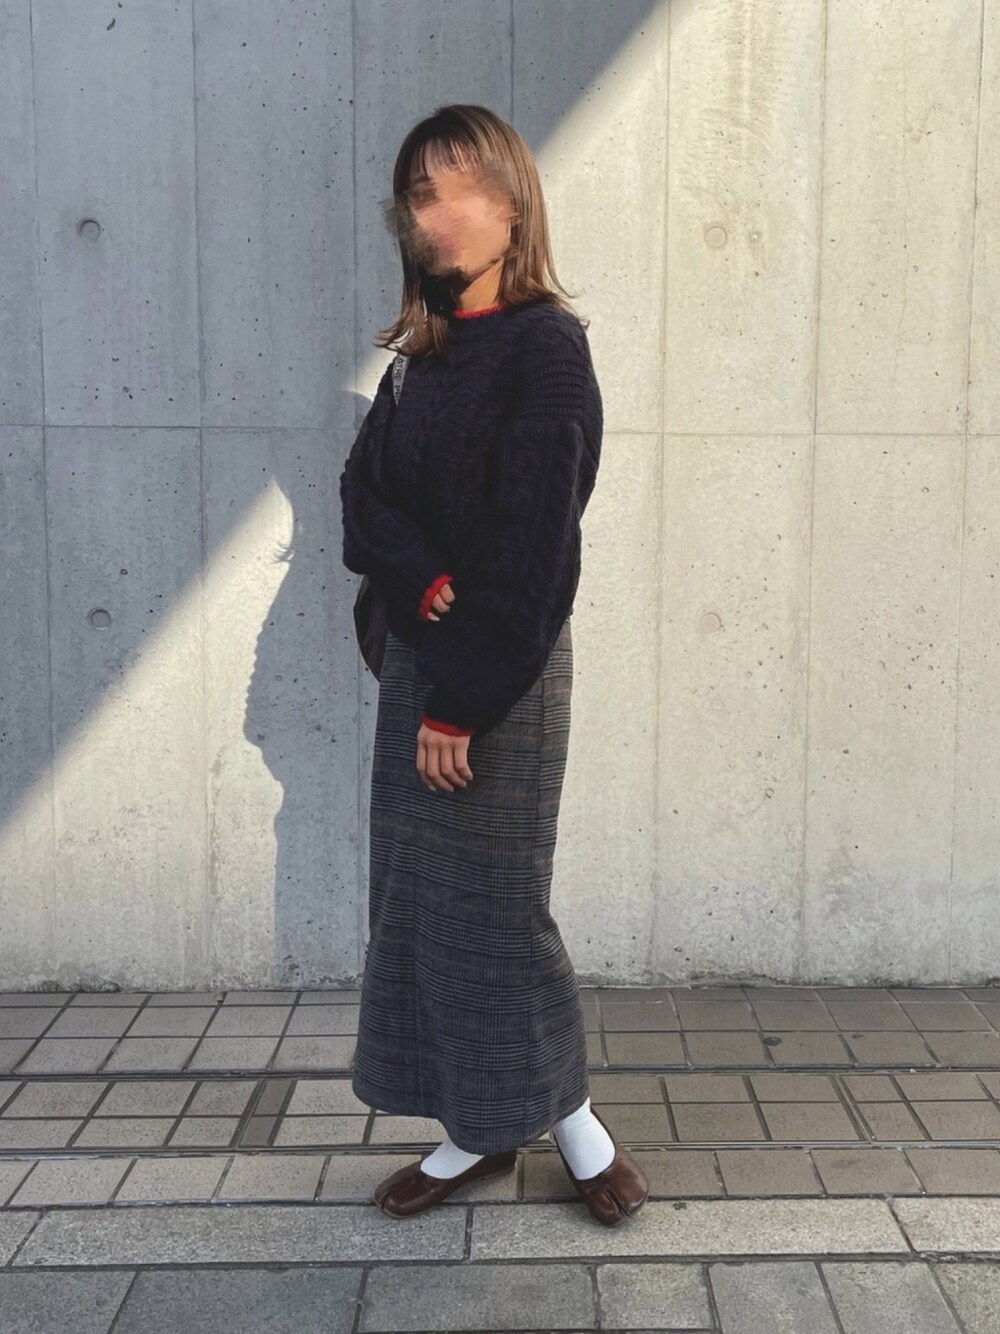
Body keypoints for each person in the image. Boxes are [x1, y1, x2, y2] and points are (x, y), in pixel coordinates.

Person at [339, 104, 648, 1227]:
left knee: (499, 910)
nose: (435, 211)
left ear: (513, 206)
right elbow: (362, 496)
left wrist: (464, 701)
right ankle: (477, 1129)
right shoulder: (421, 357)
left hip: (499, 674)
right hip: (423, 665)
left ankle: (573, 1129)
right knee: (427, 907)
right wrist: (418, 576)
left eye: (458, 187)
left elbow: (534, 545)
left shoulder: (544, 348)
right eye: (418, 194)